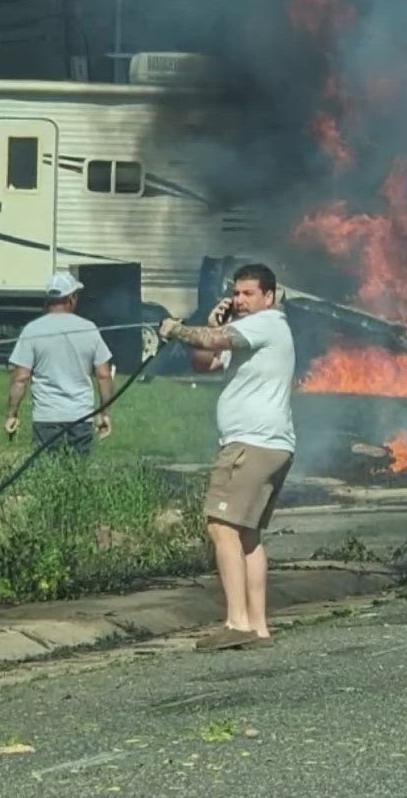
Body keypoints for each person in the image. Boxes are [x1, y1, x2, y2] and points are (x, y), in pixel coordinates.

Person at [158, 264, 295, 651]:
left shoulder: (268, 322)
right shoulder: (250, 333)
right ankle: (258, 627)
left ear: (269, 296)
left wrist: (176, 328)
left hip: (249, 444)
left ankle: (236, 623)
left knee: (221, 527)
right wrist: (205, 325)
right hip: (269, 443)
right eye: (237, 293)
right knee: (247, 534)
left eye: (249, 293)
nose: (240, 300)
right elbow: (204, 360)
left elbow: (211, 338)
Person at [4, 272, 114, 453]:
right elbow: (103, 376)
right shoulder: (89, 329)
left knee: (46, 474)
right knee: (78, 475)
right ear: (71, 299)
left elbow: (20, 378)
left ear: (48, 300)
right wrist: (104, 413)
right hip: (81, 417)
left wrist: (11, 414)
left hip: (46, 418)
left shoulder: (32, 330)